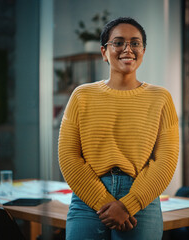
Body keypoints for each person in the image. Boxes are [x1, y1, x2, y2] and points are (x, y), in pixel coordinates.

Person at [58, 17, 179, 240]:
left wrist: (128, 205)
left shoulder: (161, 97)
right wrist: (106, 204)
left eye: (135, 43)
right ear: (104, 52)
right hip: (88, 196)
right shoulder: (82, 95)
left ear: (143, 50)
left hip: (142, 195)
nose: (128, 49)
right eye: (119, 42)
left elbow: (166, 159)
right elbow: (68, 156)